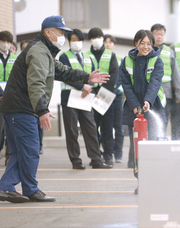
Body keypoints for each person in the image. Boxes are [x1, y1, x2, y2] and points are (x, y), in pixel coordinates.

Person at [0, 15, 109, 203]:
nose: (63, 37)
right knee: (30, 149)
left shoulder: (45, 51)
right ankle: (30, 189)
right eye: (60, 32)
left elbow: (62, 71)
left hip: (16, 108)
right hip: (22, 108)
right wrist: (42, 110)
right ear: (47, 32)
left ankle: (7, 187)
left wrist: (86, 77)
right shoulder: (39, 52)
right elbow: (36, 83)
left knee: (20, 152)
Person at [120, 29, 167, 193]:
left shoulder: (157, 61)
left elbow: (155, 83)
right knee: (137, 149)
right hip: (134, 111)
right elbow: (126, 85)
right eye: (142, 43)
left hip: (153, 106)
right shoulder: (126, 61)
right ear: (136, 44)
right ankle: (142, 183)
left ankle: (154, 182)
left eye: (149, 44)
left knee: (152, 147)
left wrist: (147, 101)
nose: (145, 46)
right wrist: (134, 105)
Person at [59, 29, 112, 169]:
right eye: (73, 40)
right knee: (72, 131)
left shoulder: (88, 57)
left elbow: (94, 75)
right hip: (70, 98)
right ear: (69, 41)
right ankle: (76, 161)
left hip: (86, 97)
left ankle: (96, 160)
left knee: (91, 129)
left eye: (78, 39)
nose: (76, 42)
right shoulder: (64, 57)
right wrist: (82, 86)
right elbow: (65, 75)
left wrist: (91, 88)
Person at [86, 28, 119, 167]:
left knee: (107, 127)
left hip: (106, 96)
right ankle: (95, 156)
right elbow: (83, 73)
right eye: (94, 37)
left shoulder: (111, 55)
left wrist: (103, 94)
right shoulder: (86, 55)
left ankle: (108, 155)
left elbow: (114, 75)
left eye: (99, 36)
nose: (97, 39)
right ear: (90, 40)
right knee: (92, 128)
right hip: (90, 95)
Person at [150, 23, 180, 137]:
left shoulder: (170, 52)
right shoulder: (146, 50)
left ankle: (161, 144)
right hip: (150, 94)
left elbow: (175, 74)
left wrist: (178, 94)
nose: (159, 37)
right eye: (156, 34)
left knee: (163, 122)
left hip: (166, 94)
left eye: (162, 34)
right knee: (151, 122)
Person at [103, 34, 124, 163]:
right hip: (104, 95)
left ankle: (119, 154)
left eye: (111, 42)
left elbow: (122, 76)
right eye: (106, 42)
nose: (108, 44)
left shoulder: (120, 59)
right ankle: (107, 152)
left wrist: (115, 88)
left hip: (117, 95)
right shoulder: (101, 59)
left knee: (118, 125)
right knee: (106, 126)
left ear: (114, 45)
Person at [0, 31, 17, 166]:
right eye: (3, 41)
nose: (5, 44)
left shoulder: (15, 58)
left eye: (8, 41)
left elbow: (17, 78)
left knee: (11, 129)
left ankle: (9, 156)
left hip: (11, 98)